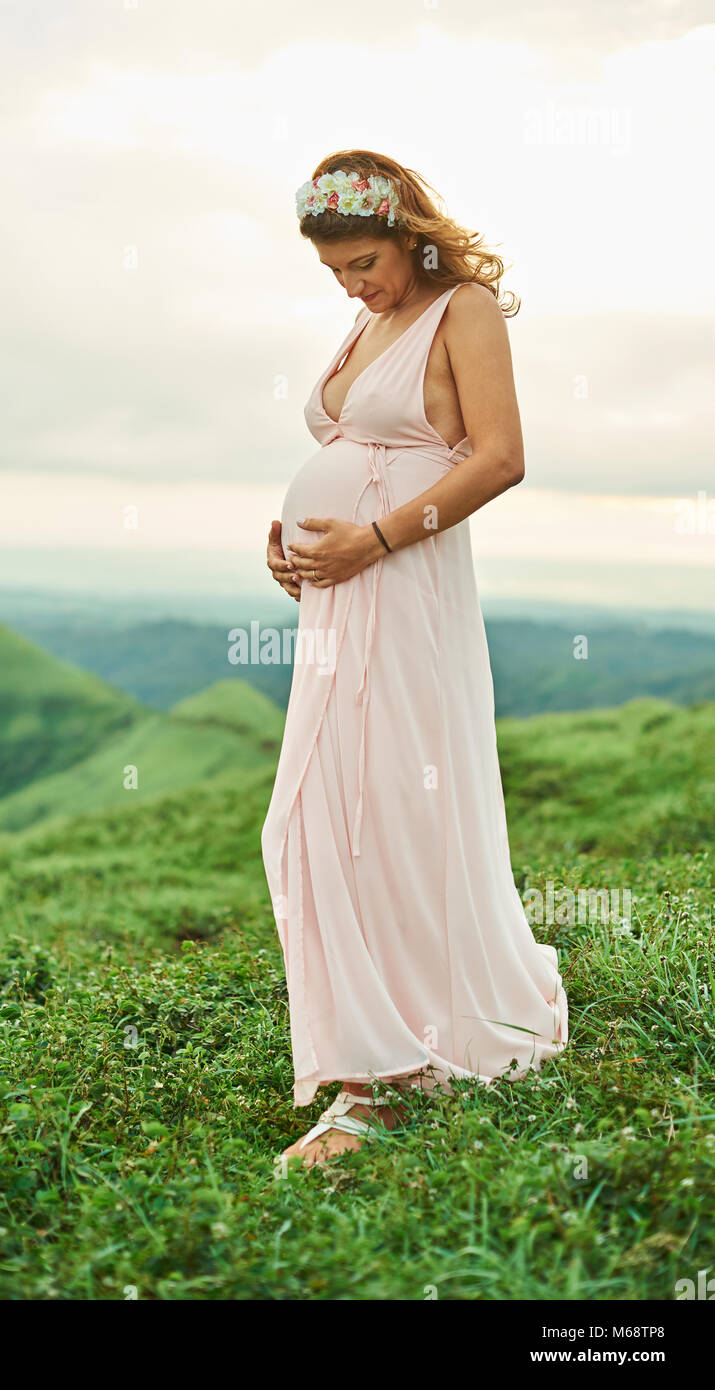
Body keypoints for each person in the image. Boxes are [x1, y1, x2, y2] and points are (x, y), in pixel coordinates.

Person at [261, 151, 569, 1167]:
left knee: (379, 809)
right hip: (343, 598)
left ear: (408, 233)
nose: (353, 285)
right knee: (316, 813)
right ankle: (373, 1046)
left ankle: (380, 1084)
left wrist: (372, 538)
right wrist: (294, 534)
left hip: (403, 590)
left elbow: (499, 455)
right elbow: (363, 449)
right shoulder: (370, 322)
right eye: (336, 273)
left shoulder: (461, 307)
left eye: (364, 263)